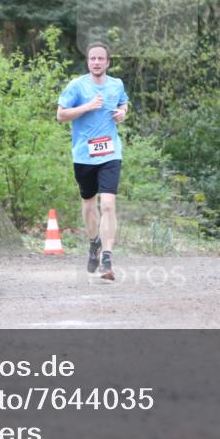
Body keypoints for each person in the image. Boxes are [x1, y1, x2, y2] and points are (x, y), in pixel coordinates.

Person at [57, 42, 129, 281]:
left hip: (110, 153)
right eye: (92, 59)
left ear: (108, 62)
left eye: (101, 59)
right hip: (84, 155)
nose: (96, 62)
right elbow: (60, 115)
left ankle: (107, 258)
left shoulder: (116, 84)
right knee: (89, 204)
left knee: (108, 204)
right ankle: (94, 243)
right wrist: (87, 107)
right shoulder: (77, 86)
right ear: (88, 62)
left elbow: (123, 103)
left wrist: (122, 113)